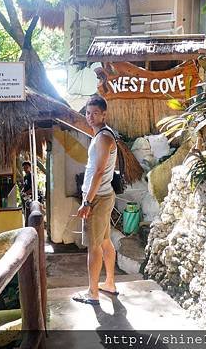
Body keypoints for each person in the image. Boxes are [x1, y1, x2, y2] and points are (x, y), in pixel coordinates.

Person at [72, 95, 119, 306]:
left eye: (95, 113)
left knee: (94, 247)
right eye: (87, 113)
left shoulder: (103, 138)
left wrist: (87, 202)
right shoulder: (101, 135)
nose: (90, 117)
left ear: (104, 114)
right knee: (105, 242)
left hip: (97, 198)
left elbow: (99, 171)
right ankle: (109, 283)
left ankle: (93, 293)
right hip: (103, 195)